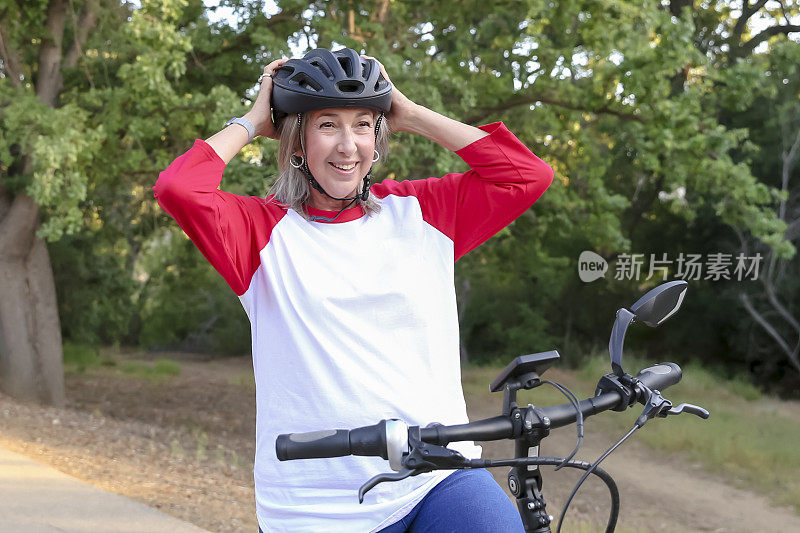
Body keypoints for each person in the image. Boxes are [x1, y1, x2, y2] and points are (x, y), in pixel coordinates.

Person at [153, 47, 554, 533]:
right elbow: (179, 188)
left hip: (435, 478)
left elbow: (525, 175)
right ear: (297, 142)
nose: (348, 146)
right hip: (314, 506)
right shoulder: (260, 232)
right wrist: (257, 119)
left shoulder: (422, 212)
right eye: (327, 125)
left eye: (363, 124)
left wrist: (408, 112)